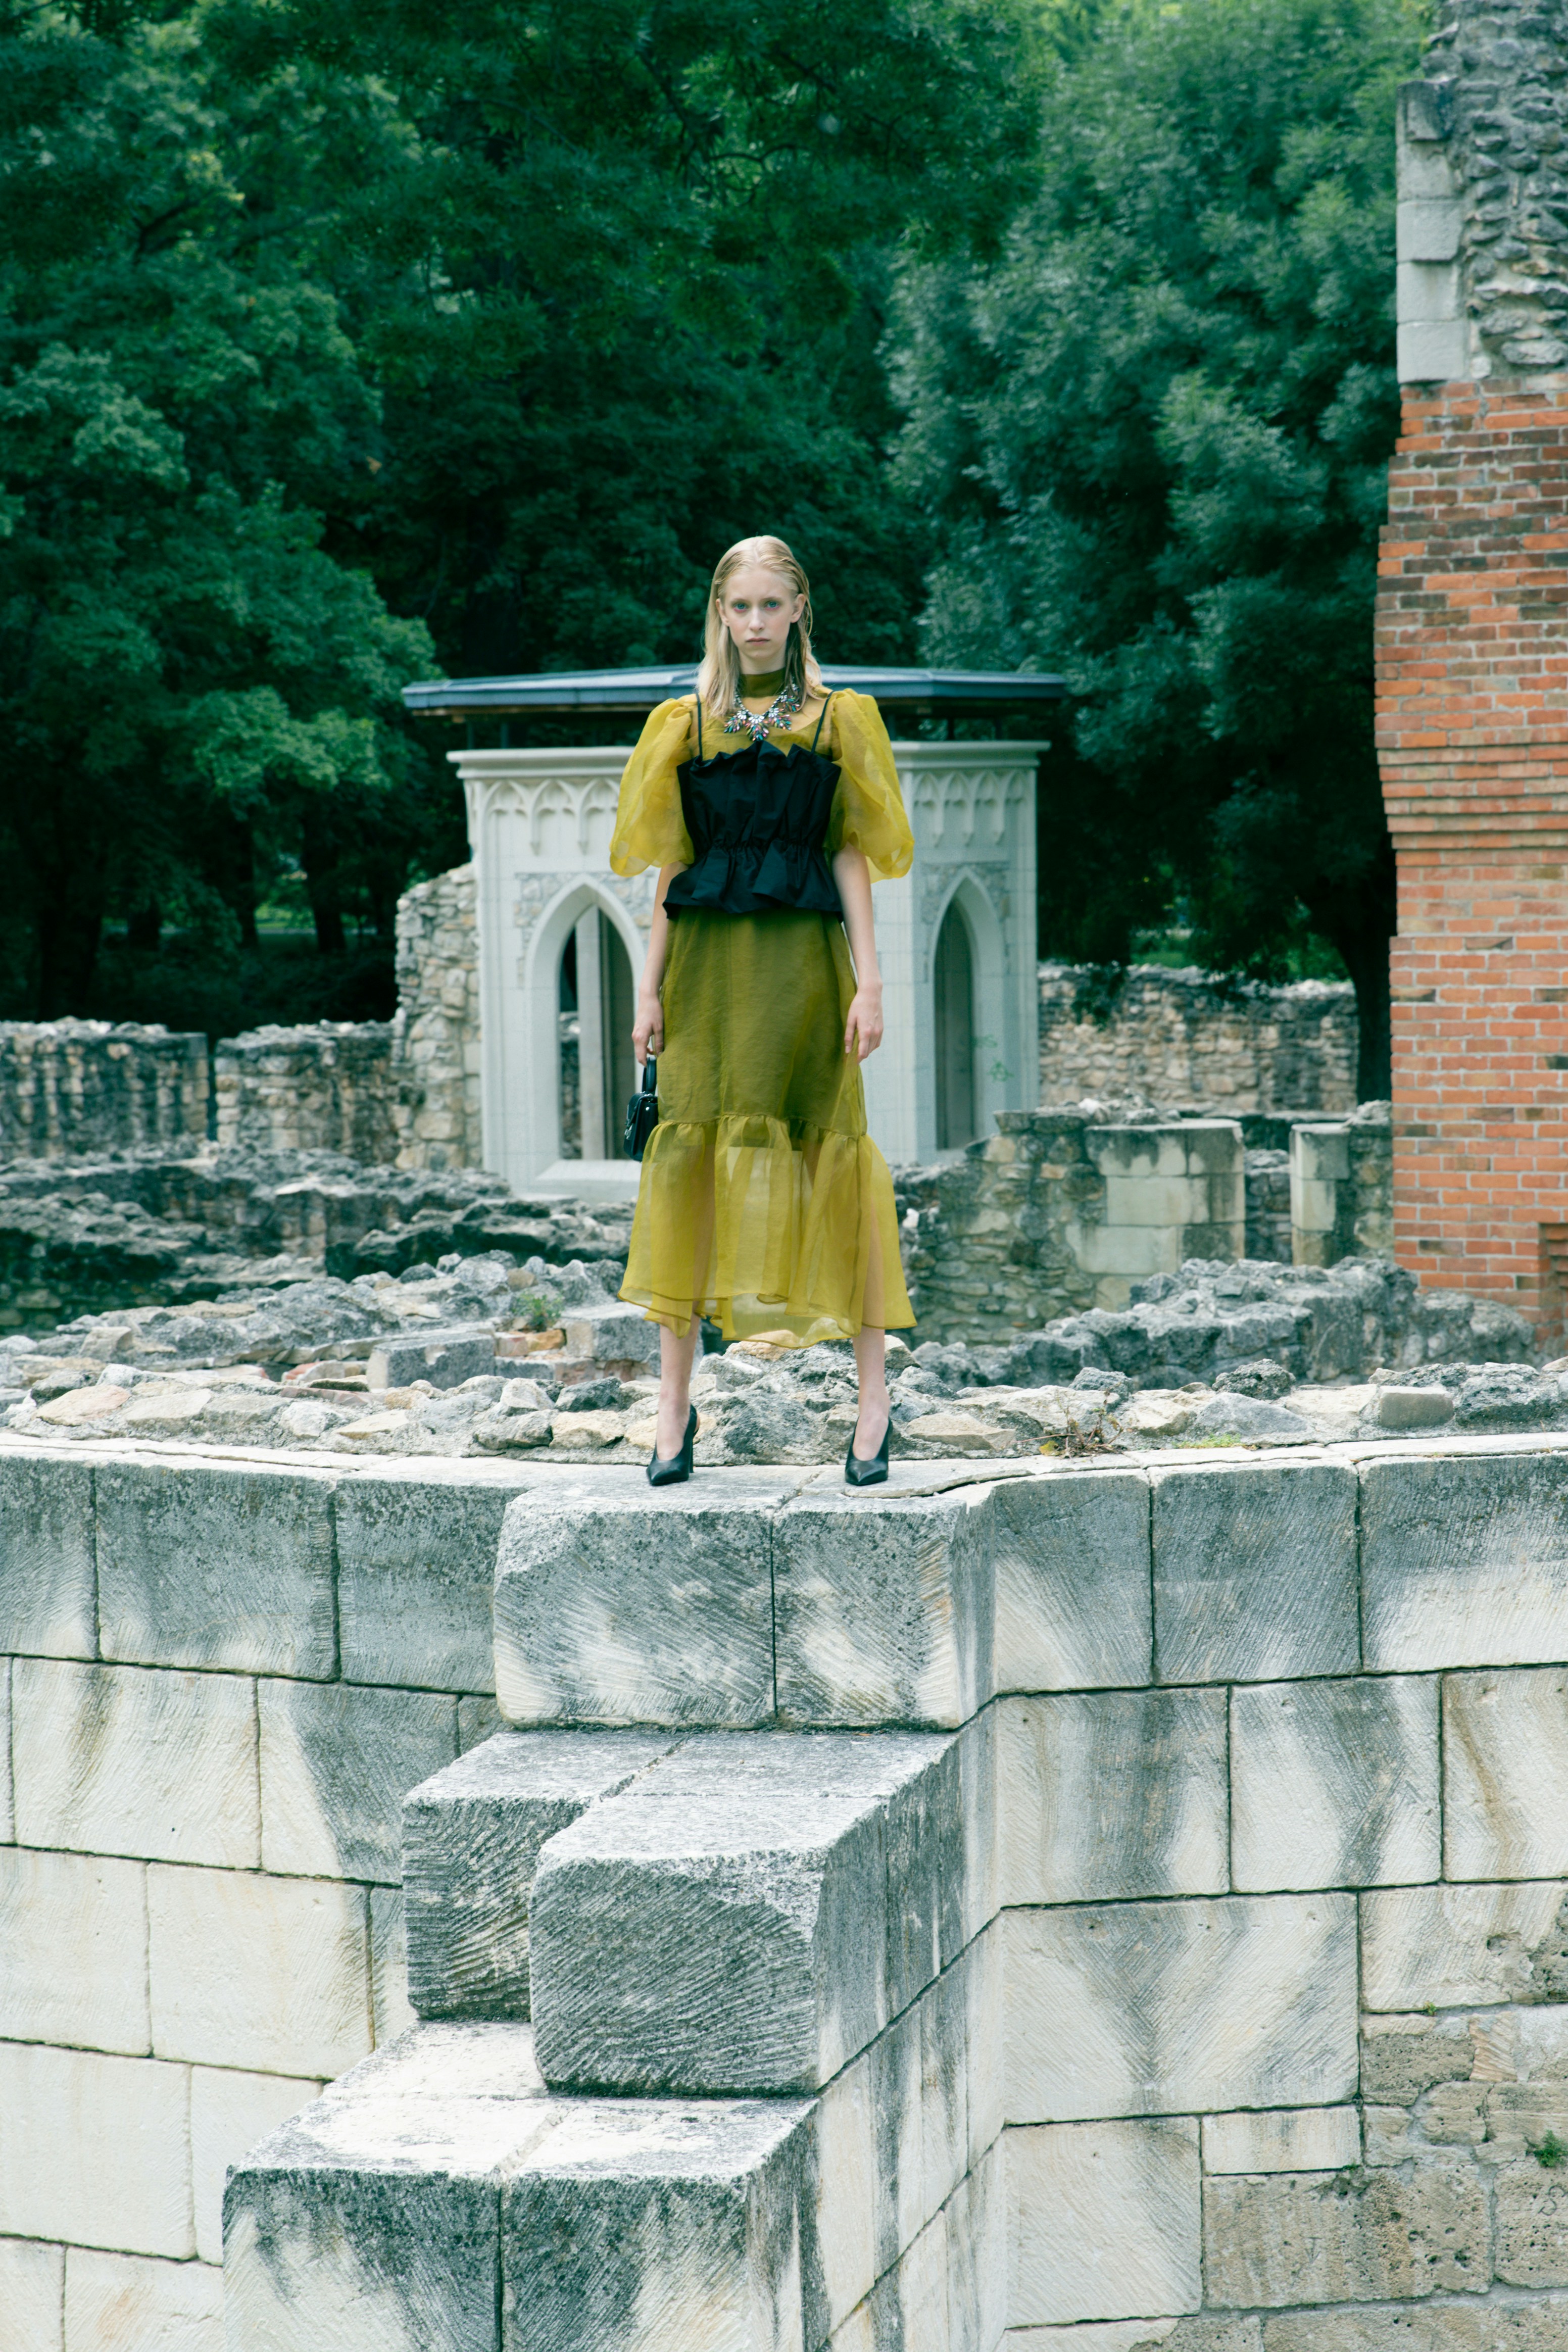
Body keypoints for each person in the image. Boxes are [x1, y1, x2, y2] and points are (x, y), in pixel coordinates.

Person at [609, 533, 916, 1488]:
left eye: (768, 607)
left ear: (798, 612)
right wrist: (648, 989)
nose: (752, 625)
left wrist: (871, 981)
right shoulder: (685, 724)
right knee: (688, 1172)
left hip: (806, 980)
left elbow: (851, 855)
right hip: (705, 981)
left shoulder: (837, 721)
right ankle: (671, 1409)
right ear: (719, 613)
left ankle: (874, 1405)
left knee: (834, 1157)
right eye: (736, 608)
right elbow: (671, 867)